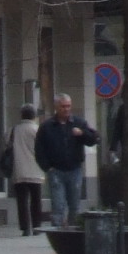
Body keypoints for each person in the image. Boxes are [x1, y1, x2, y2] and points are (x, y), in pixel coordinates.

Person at [35, 93, 96, 227]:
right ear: (56, 107)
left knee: (74, 205)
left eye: (68, 106)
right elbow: (39, 150)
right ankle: (57, 232)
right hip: (56, 171)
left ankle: (73, 230)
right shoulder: (47, 126)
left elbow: (94, 139)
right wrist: (47, 167)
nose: (66, 109)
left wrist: (82, 133)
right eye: (63, 106)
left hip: (75, 170)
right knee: (58, 205)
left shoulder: (79, 123)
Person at [9, 104, 44, 235]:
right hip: (35, 170)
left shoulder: (14, 130)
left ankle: (25, 228)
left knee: (22, 200)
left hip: (19, 170)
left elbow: (7, 143)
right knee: (36, 200)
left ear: (22, 115)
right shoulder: (37, 130)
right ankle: (36, 226)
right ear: (34, 116)